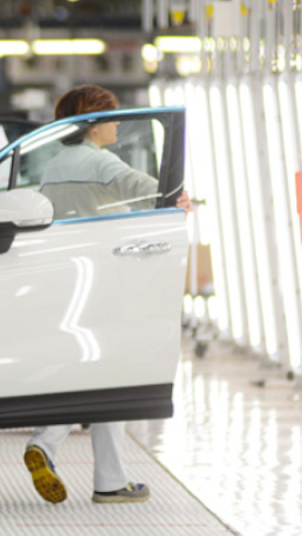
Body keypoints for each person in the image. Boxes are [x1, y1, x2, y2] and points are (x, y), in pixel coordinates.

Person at [23, 84, 189, 505]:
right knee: (113, 378)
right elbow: (141, 188)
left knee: (79, 371)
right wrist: (177, 198)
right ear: (93, 123)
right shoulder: (99, 160)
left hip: (69, 279)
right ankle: (109, 481)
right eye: (111, 116)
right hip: (109, 280)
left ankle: (46, 442)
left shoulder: (54, 165)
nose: (117, 124)